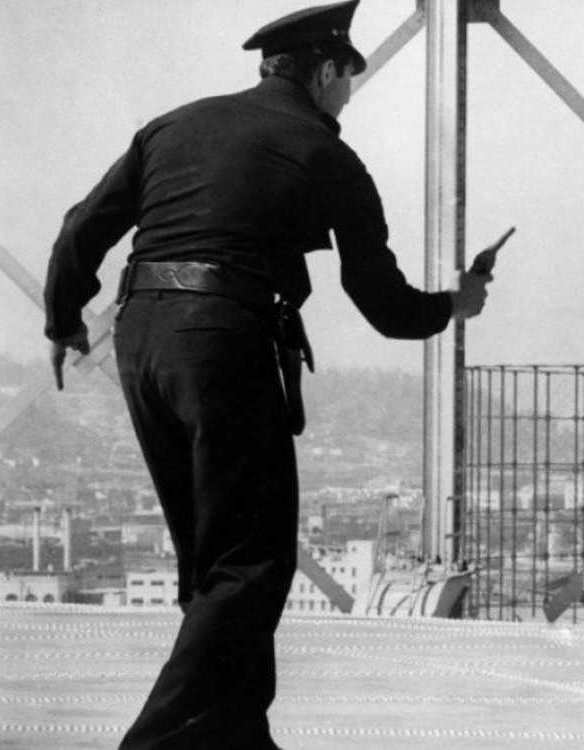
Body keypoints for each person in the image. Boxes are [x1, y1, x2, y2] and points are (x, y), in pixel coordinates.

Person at [42, 2, 496, 746]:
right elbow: (382, 304)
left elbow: (79, 229)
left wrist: (63, 320)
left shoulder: (172, 125)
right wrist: (454, 304)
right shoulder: (327, 154)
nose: (348, 98)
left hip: (140, 339)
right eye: (348, 81)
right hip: (221, 339)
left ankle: (239, 736)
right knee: (251, 564)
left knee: (213, 565)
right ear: (324, 73)